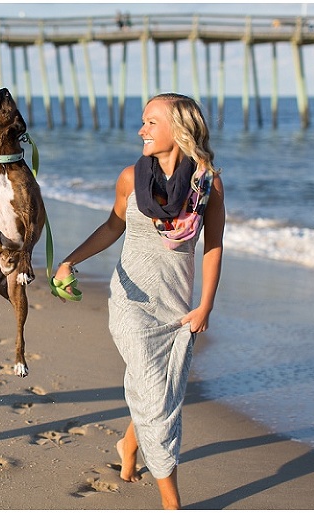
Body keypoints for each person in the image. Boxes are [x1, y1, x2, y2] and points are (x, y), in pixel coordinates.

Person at [52, 93, 225, 509]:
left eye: (151, 122)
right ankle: (172, 503)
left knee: (159, 392)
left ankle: (128, 444)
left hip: (177, 306)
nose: (141, 130)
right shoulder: (131, 177)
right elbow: (113, 226)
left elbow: (213, 245)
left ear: (179, 130)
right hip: (131, 299)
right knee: (156, 399)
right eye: (143, 122)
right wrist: (70, 261)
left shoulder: (207, 184)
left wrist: (206, 305)